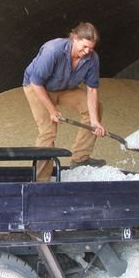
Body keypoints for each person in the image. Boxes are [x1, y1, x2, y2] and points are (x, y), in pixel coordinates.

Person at [23, 22, 106, 180]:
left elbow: (92, 89)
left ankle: (80, 159)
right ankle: (41, 181)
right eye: (84, 47)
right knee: (48, 132)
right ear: (74, 38)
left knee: (96, 108)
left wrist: (95, 121)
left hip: (65, 87)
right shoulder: (53, 50)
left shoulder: (92, 58)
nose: (87, 51)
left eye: (91, 48)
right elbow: (36, 83)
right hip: (39, 88)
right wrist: (52, 110)